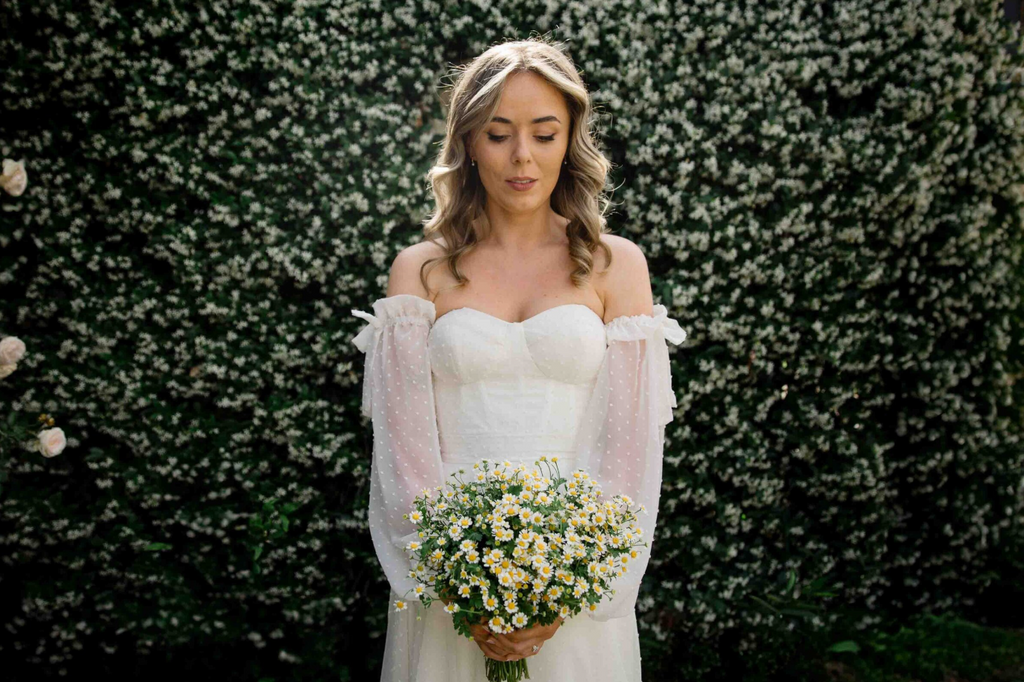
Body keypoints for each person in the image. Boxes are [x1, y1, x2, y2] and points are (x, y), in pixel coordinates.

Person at [351, 36, 688, 682]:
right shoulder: (418, 272)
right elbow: (403, 456)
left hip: (574, 596)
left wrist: (567, 586)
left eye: (544, 132)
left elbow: (630, 456)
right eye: (499, 133)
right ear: (469, 143)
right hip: (451, 593)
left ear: (570, 141)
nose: (522, 156)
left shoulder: (617, 267)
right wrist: (462, 586)